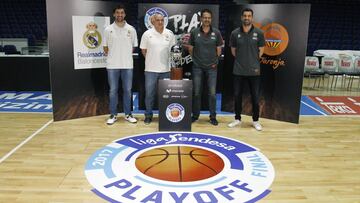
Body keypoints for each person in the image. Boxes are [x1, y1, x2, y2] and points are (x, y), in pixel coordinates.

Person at [227, 8, 265, 131]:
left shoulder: (259, 33)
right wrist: (242, 60)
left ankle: (255, 120)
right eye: (245, 16)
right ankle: (237, 119)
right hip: (238, 70)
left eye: (249, 16)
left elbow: (262, 50)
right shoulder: (234, 33)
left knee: (255, 97)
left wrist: (253, 60)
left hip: (254, 71)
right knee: (237, 95)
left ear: (252, 18)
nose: (247, 18)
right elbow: (233, 51)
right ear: (242, 17)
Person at [103, 4, 138, 125]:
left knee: (128, 90)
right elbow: (105, 48)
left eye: (122, 13)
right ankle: (113, 114)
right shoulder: (108, 29)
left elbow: (133, 47)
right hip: (112, 65)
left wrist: (124, 56)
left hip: (127, 65)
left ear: (125, 14)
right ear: (114, 14)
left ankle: (128, 114)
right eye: (117, 13)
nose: (120, 15)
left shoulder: (131, 29)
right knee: (113, 90)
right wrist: (115, 56)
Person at [188, 9, 223, 126]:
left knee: (212, 94)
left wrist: (214, 62)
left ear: (211, 19)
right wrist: (196, 60)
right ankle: (195, 115)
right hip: (197, 67)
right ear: (201, 19)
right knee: (197, 93)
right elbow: (190, 49)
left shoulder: (216, 33)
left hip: (212, 68)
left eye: (209, 18)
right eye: (205, 17)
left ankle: (213, 116)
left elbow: (219, 50)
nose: (207, 20)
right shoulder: (194, 32)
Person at [140, 13, 176, 125]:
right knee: (149, 95)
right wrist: (152, 60)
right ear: (153, 22)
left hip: (166, 70)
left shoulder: (169, 34)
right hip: (150, 70)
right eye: (157, 20)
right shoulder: (147, 34)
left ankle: (165, 116)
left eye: (162, 20)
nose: (160, 22)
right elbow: (144, 51)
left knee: (165, 96)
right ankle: (148, 115)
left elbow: (173, 51)